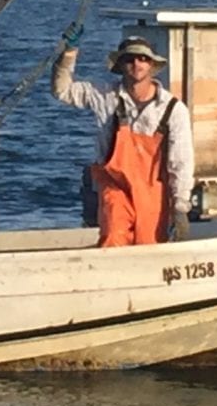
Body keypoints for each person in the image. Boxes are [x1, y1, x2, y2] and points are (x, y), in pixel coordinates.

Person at [52, 31, 194, 246]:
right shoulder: (104, 96)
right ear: (120, 65)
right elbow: (62, 91)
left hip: (153, 193)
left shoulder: (173, 109)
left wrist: (181, 207)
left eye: (143, 58)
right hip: (114, 187)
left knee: (151, 246)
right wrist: (68, 53)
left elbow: (181, 162)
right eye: (130, 58)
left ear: (152, 65)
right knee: (113, 237)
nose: (137, 63)